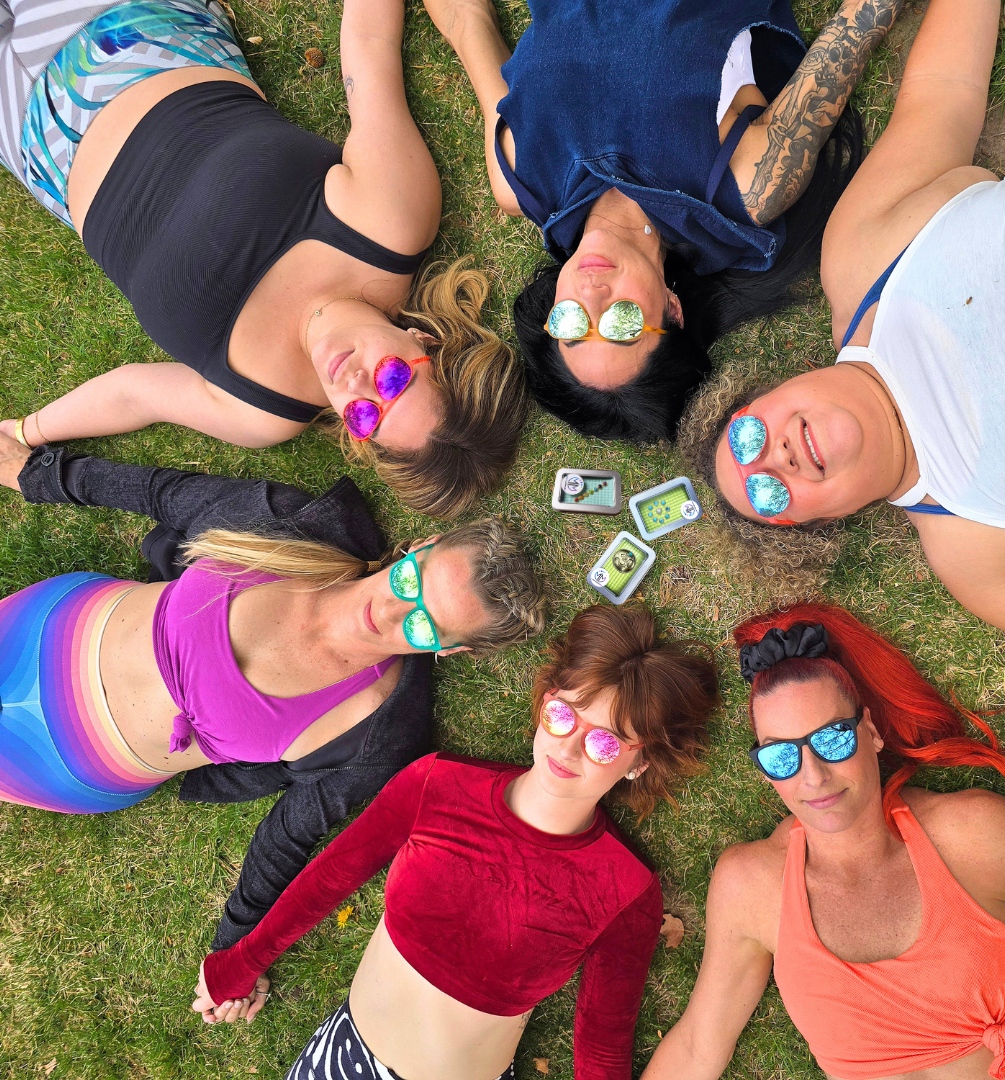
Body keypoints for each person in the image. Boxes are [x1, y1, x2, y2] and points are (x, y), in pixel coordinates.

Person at [0, 427, 547, 949]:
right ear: (419, 548)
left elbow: (287, 837)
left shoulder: (374, 736)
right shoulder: (297, 528)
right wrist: (38, 474)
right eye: (410, 583)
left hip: (58, 765)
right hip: (44, 631)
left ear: (447, 650)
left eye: (423, 625)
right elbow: (163, 493)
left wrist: (233, 948)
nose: (388, 611)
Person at [0, 0, 526, 517]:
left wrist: (27, 431)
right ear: (424, 341)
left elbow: (136, 394)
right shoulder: (390, 224)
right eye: (393, 379)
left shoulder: (263, 411)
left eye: (367, 416)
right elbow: (368, 51)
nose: (355, 386)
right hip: (128, 35)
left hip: (37, 141)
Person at [678, 0, 1005, 658]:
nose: (772, 457)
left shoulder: (861, 259)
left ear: (774, 388)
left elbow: (941, 96)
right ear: (824, 523)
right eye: (770, 491)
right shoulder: (979, 561)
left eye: (748, 434)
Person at [190, 604, 718, 1080]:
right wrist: (239, 963)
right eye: (563, 714)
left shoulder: (626, 890)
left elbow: (601, 1044)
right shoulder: (437, 784)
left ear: (640, 762)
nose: (570, 747)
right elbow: (330, 877)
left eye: (606, 741)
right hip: (339, 1061)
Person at [418, 0, 894, 443]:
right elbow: (858, 25)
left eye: (570, 322)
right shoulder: (745, 186)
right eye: (622, 323)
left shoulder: (521, 178)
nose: (593, 298)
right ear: (673, 310)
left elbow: (468, 25)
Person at [642, 602, 1005, 1080]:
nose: (813, 776)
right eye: (781, 757)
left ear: (869, 732)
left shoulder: (972, 833)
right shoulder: (752, 886)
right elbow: (697, 1047)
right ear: (766, 773)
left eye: (831, 740)